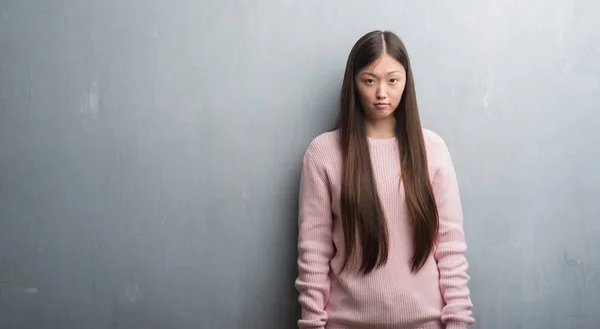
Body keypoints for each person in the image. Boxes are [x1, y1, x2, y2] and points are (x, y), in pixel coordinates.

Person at [295, 30, 475, 329]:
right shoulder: (323, 153)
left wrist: (457, 323)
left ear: (406, 81)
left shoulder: (432, 150)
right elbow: (313, 254)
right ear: (354, 83)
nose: (382, 93)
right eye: (370, 80)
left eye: (393, 80)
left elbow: (450, 248)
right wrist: (313, 325)